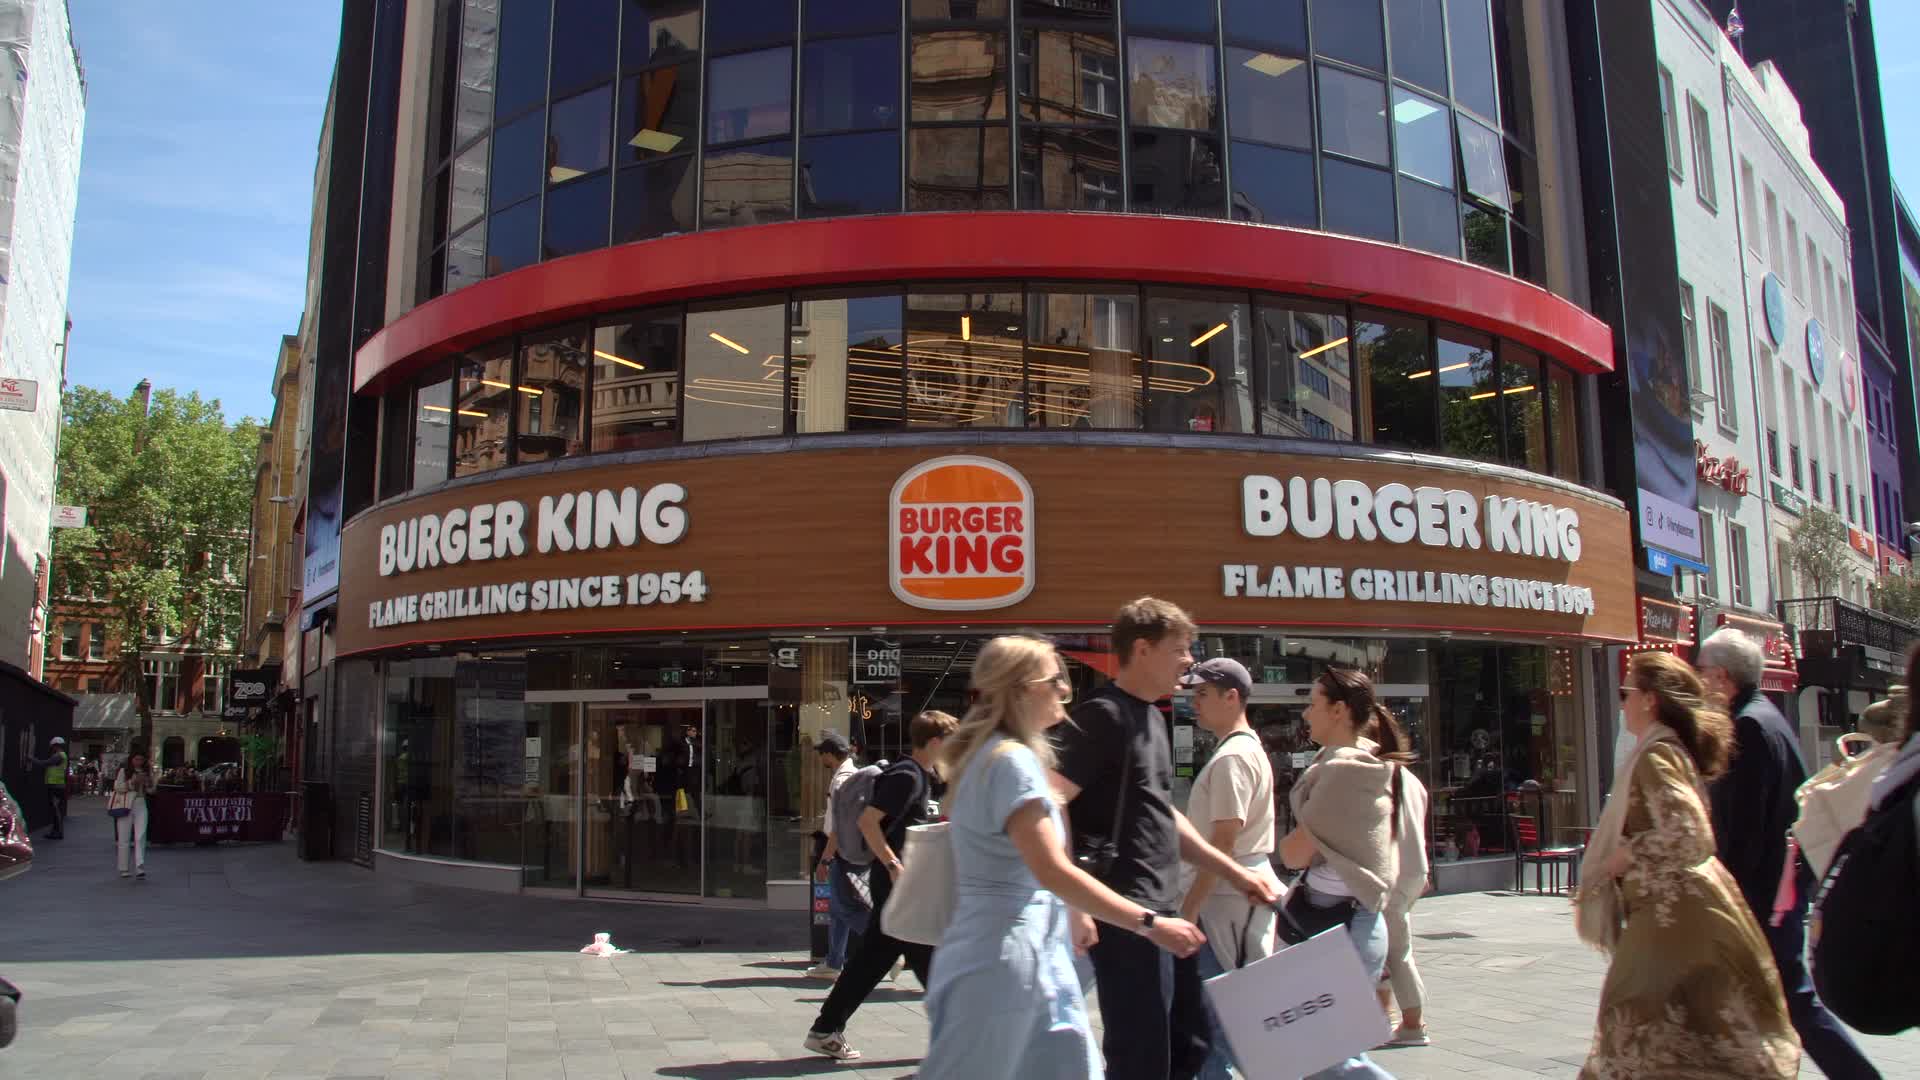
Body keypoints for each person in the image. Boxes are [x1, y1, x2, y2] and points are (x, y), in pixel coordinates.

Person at [921, 635, 1206, 1080]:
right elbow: (1052, 868)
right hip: (1007, 960)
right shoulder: (1011, 762)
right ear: (1023, 688)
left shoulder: (989, 757)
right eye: (1056, 681)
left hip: (1024, 953)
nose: (1065, 692)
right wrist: (1150, 923)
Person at [1052, 599, 1281, 1080]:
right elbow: (1054, 804)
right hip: (1127, 912)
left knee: (1191, 1042)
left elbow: (1163, 815)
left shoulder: (1152, 718)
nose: (1188, 662)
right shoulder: (1102, 717)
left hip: (1164, 906)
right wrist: (1074, 906)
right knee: (1142, 1056)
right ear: (1142, 649)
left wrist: (1236, 873)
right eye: (1179, 650)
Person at [1574, 651, 1798, 1078]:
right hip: (1678, 913)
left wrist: (1626, 855)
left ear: (1650, 700)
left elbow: (1689, 834)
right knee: (1674, 1037)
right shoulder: (1666, 749)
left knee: (1632, 1028)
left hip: (1672, 921)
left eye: (1626, 692)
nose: (1621, 703)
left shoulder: (1657, 754)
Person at [1694, 628, 1881, 1079]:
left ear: (1721, 677)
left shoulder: (1749, 726)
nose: (1699, 681)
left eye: (1701, 672)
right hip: (1779, 885)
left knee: (1793, 1001)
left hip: (1766, 894)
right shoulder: (1768, 715)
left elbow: (1744, 826)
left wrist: (1723, 891)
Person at [802, 710, 958, 1061]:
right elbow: (868, 822)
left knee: (876, 960)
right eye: (950, 743)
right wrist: (892, 864)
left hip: (904, 885)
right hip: (899, 883)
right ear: (934, 742)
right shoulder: (907, 776)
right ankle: (958, 1041)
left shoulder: (920, 775)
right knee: (927, 960)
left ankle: (826, 1029)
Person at [1279, 668, 1405, 1080]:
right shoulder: (1342, 762)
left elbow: (1296, 853)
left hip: (1344, 926)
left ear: (1338, 710)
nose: (1305, 714)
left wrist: (1285, 848)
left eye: (1312, 704)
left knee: (1329, 1059)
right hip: (1337, 922)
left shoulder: (1343, 770)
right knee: (1326, 1055)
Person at [1176, 658, 1279, 1080]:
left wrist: (1190, 909)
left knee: (1220, 1025)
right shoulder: (1241, 750)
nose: (1194, 703)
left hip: (1226, 905)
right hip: (1233, 901)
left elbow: (1223, 843)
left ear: (1231, 696)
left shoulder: (1232, 758)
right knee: (1226, 1025)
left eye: (1202, 694)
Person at [1372, 707, 1431, 1049]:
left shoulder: (1378, 775)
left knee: (1394, 950)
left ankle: (1412, 1022)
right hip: (1411, 869)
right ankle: (1388, 1017)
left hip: (1393, 872)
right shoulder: (1409, 778)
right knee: (1390, 946)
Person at [808, 730, 865, 979]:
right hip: (845, 849)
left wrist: (825, 858)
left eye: (822, 753)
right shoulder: (849, 775)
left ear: (831, 754)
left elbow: (840, 826)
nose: (821, 758)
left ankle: (893, 944)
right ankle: (833, 962)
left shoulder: (842, 780)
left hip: (841, 851)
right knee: (838, 909)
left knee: (843, 908)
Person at [114, 749, 155, 880]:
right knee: (124, 837)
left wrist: (148, 783)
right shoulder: (124, 771)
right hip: (126, 804)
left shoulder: (146, 772)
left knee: (141, 835)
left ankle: (139, 866)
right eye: (136, 759)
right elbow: (118, 787)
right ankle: (124, 868)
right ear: (131, 760)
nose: (139, 762)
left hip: (141, 803)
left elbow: (151, 790)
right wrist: (133, 782)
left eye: (141, 760)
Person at [26, 737, 69, 840]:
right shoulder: (60, 755)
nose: (52, 748)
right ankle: (55, 831)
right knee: (54, 809)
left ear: (56, 745)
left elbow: (44, 763)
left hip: (56, 786)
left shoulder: (59, 756)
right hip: (55, 785)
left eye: (53, 746)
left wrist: (31, 759)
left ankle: (58, 832)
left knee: (55, 809)